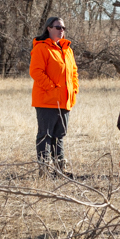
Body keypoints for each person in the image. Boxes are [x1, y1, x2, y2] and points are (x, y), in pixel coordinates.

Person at [29, 17, 79, 177]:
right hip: (46, 102)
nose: (61, 30)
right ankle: (43, 172)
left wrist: (74, 90)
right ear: (48, 28)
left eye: (63, 27)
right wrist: (52, 88)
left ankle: (60, 171)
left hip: (64, 102)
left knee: (59, 136)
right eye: (58, 27)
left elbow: (74, 73)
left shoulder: (67, 50)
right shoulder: (41, 48)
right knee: (45, 136)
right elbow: (36, 72)